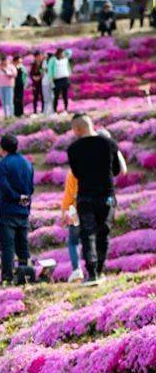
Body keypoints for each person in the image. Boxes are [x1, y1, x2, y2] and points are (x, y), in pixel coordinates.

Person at [67, 114, 124, 286]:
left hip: (85, 196)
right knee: (103, 232)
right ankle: (99, 270)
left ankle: (91, 273)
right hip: (107, 196)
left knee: (88, 232)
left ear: (77, 129)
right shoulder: (109, 144)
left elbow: (76, 173)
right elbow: (116, 170)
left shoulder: (73, 149)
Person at [0, 133, 35, 285]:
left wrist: (16, 197)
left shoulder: (3, 164)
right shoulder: (27, 163)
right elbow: (31, 187)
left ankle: (7, 278)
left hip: (7, 210)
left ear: (2, 148)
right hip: (23, 210)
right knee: (23, 244)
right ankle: (25, 274)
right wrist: (24, 199)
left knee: (7, 247)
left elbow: (5, 187)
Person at [61, 169, 84, 282]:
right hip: (91, 209)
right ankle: (95, 270)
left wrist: (65, 211)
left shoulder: (73, 172)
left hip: (75, 209)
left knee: (73, 241)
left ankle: (77, 270)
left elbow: (69, 194)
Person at [50, 48, 72, 113]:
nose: (62, 54)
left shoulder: (66, 59)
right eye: (61, 53)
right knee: (56, 96)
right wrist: (51, 79)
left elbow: (68, 68)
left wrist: (69, 75)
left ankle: (66, 109)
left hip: (65, 79)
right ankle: (54, 110)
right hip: (57, 80)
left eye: (63, 53)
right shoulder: (53, 60)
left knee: (65, 95)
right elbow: (50, 70)